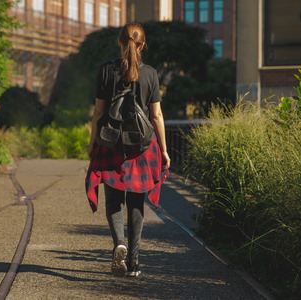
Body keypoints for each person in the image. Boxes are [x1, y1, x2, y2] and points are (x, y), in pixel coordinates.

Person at [85, 23, 171, 278]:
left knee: (113, 200)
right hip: (141, 149)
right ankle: (133, 263)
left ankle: (119, 243)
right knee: (136, 203)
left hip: (111, 144)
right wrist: (164, 150)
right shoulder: (151, 74)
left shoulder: (106, 71)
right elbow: (156, 115)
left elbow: (98, 112)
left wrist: (92, 144)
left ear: (119, 43)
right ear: (142, 45)